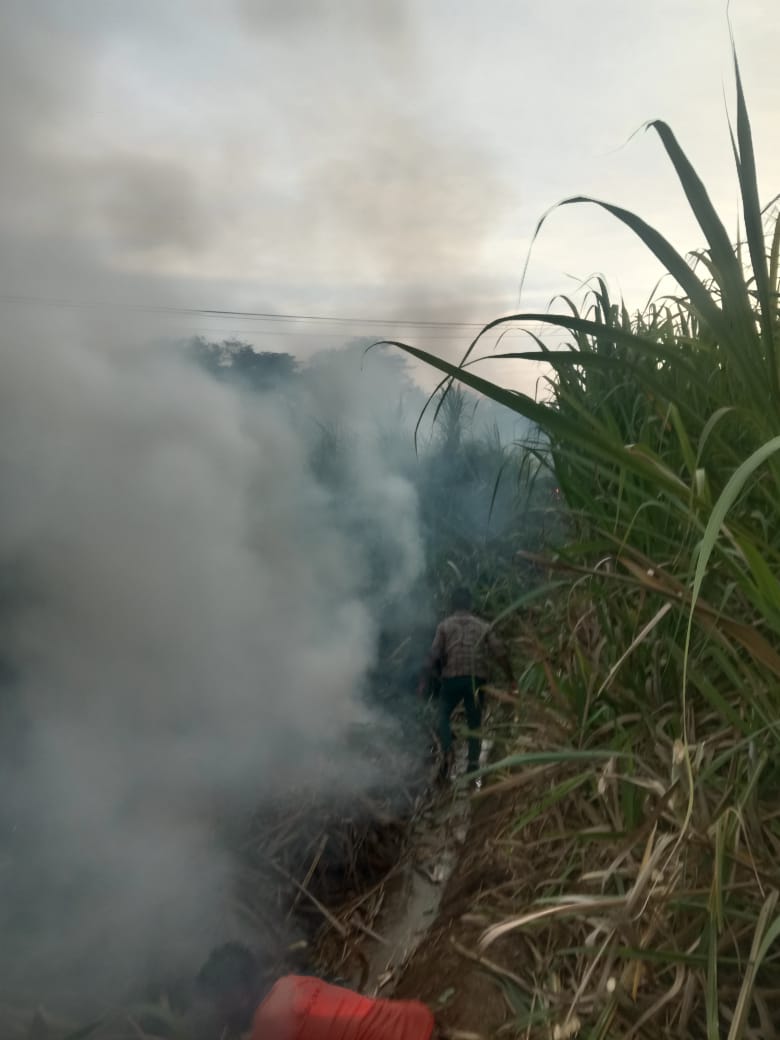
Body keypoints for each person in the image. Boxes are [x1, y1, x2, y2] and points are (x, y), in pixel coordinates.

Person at [195, 941, 436, 1040]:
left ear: (239, 996)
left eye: (218, 1002)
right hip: (415, 1020)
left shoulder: (269, 1026)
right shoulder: (292, 983)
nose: (217, 1012)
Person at [418, 587, 514, 780]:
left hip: (451, 679)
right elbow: (499, 652)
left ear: (452, 605)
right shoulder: (482, 625)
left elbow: (432, 656)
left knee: (442, 714)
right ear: (470, 604)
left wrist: (423, 681)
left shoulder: (444, 626)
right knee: (474, 723)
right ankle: (472, 768)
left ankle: (447, 749)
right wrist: (511, 678)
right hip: (475, 681)